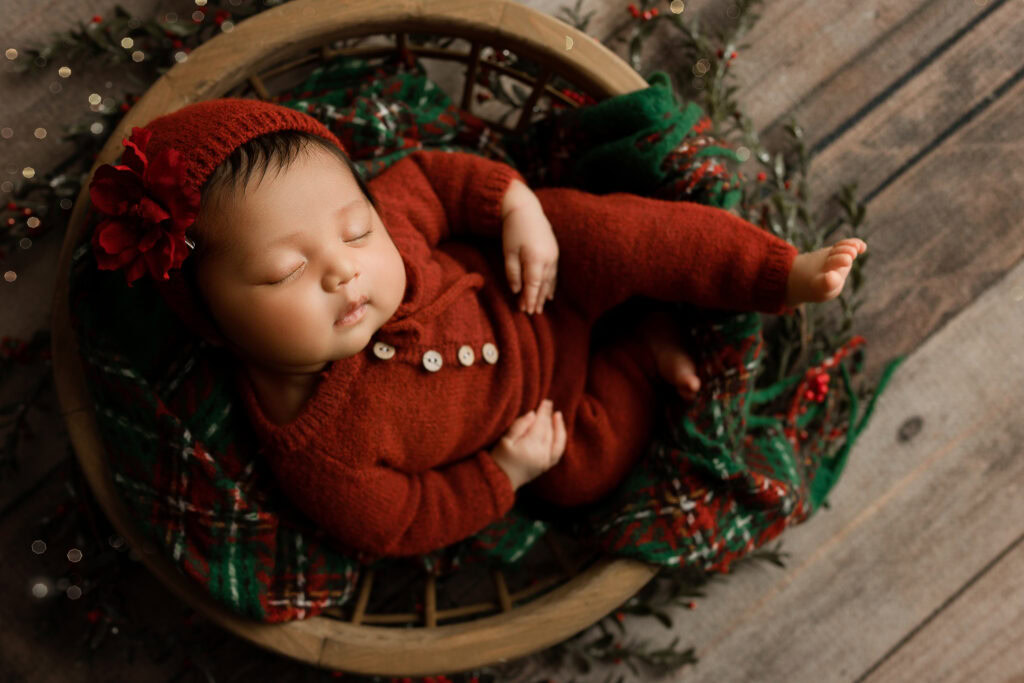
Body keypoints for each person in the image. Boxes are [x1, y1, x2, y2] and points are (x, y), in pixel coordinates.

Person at [88, 98, 866, 559]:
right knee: (579, 473)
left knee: (615, 233)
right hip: (545, 406)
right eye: (284, 272)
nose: (343, 270)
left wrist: (515, 205)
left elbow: (432, 179)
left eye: (355, 230)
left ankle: (773, 273)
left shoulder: (393, 222)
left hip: (538, 274)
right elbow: (402, 520)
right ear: (213, 319)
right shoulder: (318, 450)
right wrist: (503, 473)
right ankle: (639, 352)